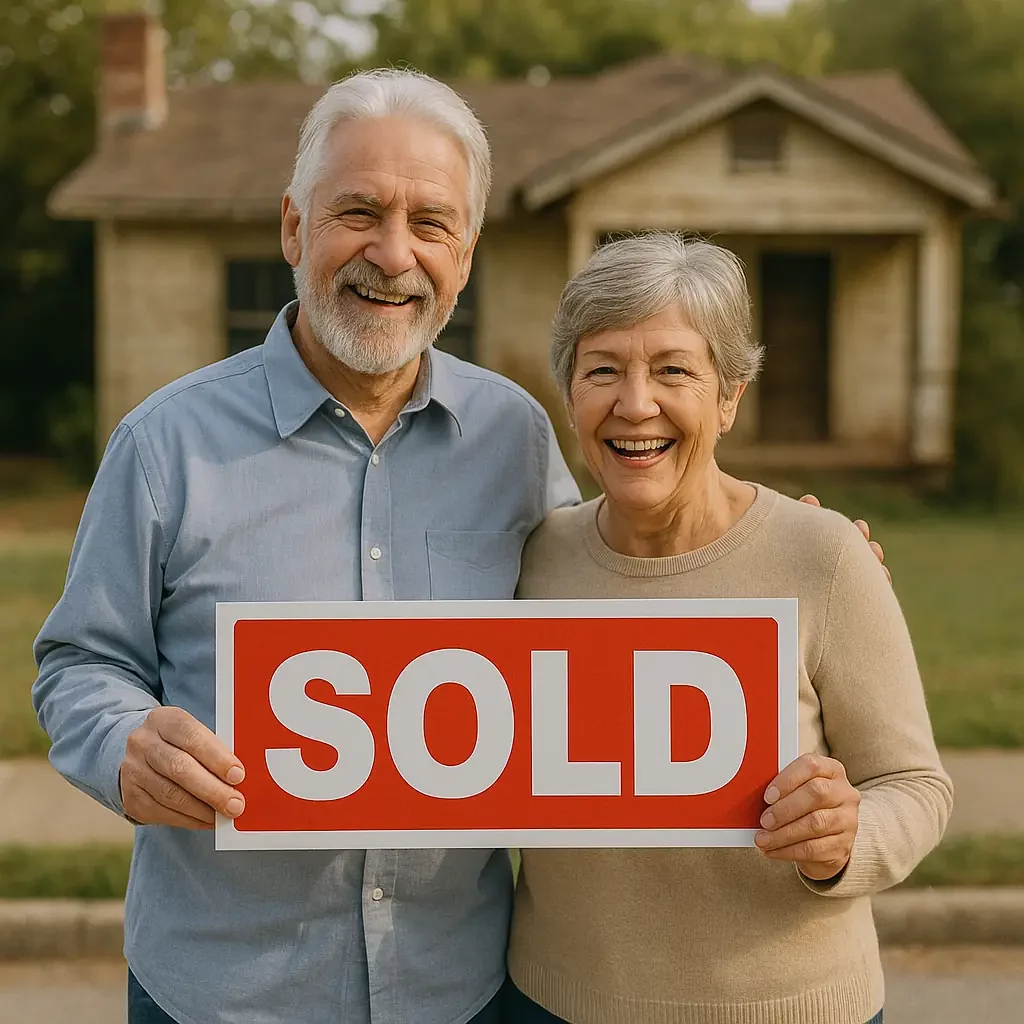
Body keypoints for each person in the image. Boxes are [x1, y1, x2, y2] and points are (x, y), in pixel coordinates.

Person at [32, 70, 886, 1024]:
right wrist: (122, 744)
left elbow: (608, 597)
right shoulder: (164, 445)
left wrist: (785, 548)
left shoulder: (513, 437)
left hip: (461, 991)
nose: (392, 254)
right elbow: (80, 661)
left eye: (430, 223)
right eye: (357, 211)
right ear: (291, 228)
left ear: (466, 254)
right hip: (224, 992)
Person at [505, 234, 951, 1024]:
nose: (634, 403)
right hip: (555, 1002)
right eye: (602, 369)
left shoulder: (824, 555)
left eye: (674, 369)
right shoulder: (534, 562)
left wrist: (844, 839)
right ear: (570, 396)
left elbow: (915, 788)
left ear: (729, 396)